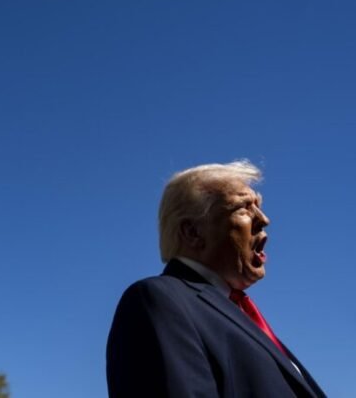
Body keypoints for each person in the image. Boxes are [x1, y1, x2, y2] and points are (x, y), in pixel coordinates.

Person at [106, 161, 325, 397]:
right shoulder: (159, 301)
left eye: (258, 206)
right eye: (244, 208)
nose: (264, 219)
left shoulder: (242, 315)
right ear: (193, 232)